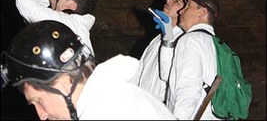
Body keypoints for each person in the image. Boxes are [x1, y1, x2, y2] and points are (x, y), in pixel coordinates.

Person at [1, 20, 177, 120]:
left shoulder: (103, 113)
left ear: (62, 81)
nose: (42, 115)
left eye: (38, 100)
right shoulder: (118, 94)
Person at [130, 0, 199, 103]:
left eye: (176, 1)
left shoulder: (185, 41)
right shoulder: (157, 40)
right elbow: (140, 72)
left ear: (186, 10)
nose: (168, 0)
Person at [162, 0, 221, 120]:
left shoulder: (191, 40)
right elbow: (168, 75)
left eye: (188, 6)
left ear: (203, 12)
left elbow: (189, 90)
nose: (181, 11)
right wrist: (167, 37)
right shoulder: (217, 45)